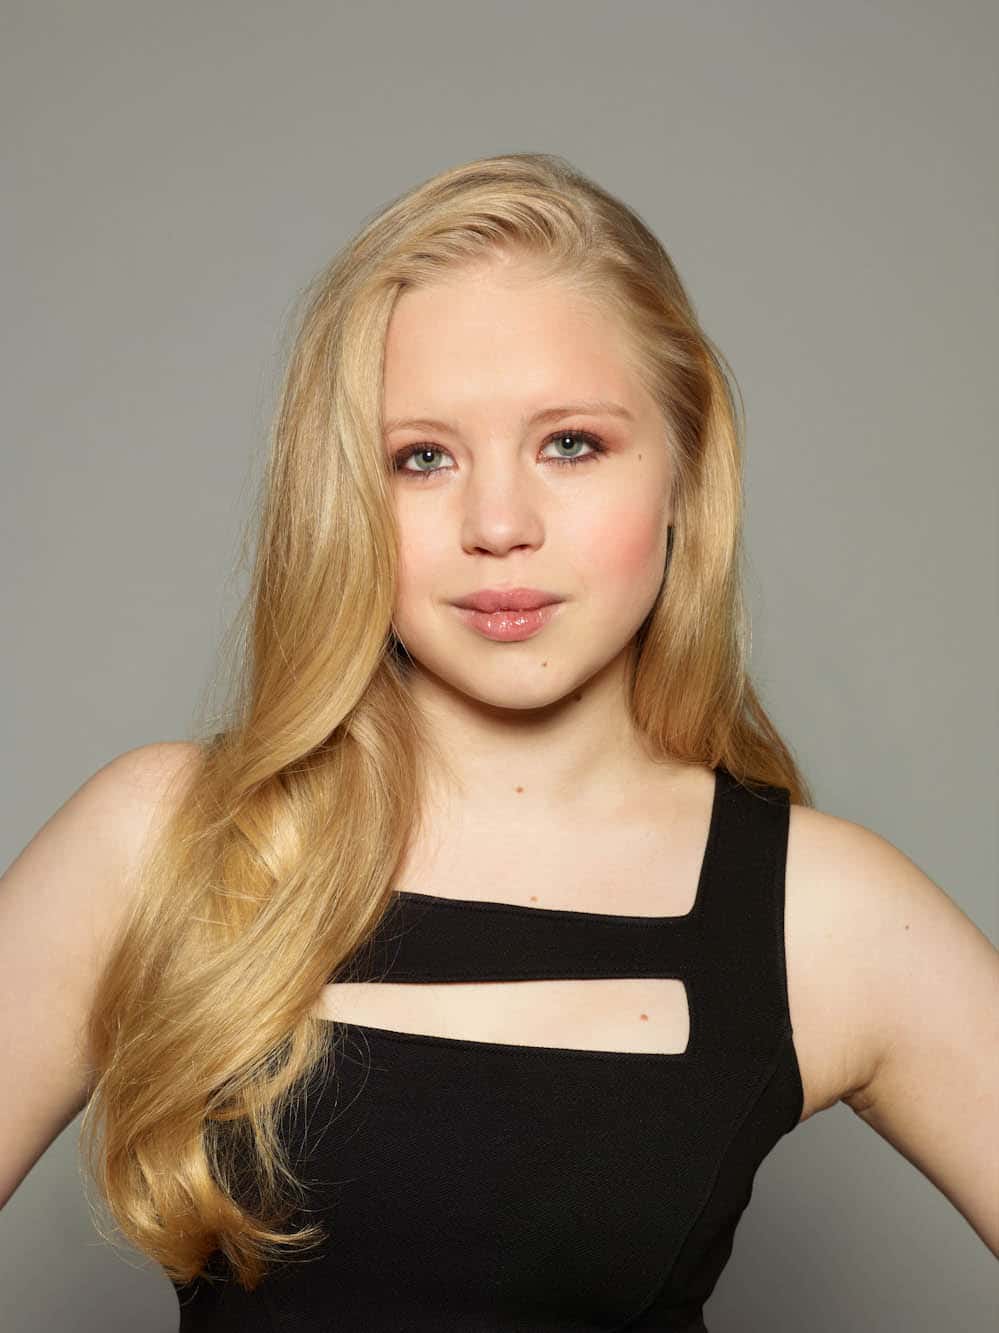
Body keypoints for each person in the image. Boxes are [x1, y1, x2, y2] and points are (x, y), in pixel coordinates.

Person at [2, 152, 996, 1331]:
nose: (499, 524)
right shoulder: (165, 839)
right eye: (422, 458)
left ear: (685, 469)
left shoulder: (822, 914)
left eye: (570, 443)